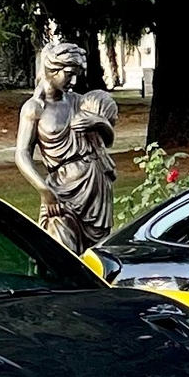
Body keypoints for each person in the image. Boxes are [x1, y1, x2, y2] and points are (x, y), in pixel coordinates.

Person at [16, 40, 117, 251]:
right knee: (60, 248)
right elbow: (22, 154)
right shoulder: (34, 108)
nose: (73, 79)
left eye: (77, 74)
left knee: (97, 254)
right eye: (69, 73)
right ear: (52, 70)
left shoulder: (80, 102)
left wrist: (100, 122)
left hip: (95, 183)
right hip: (60, 190)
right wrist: (43, 190)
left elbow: (107, 141)